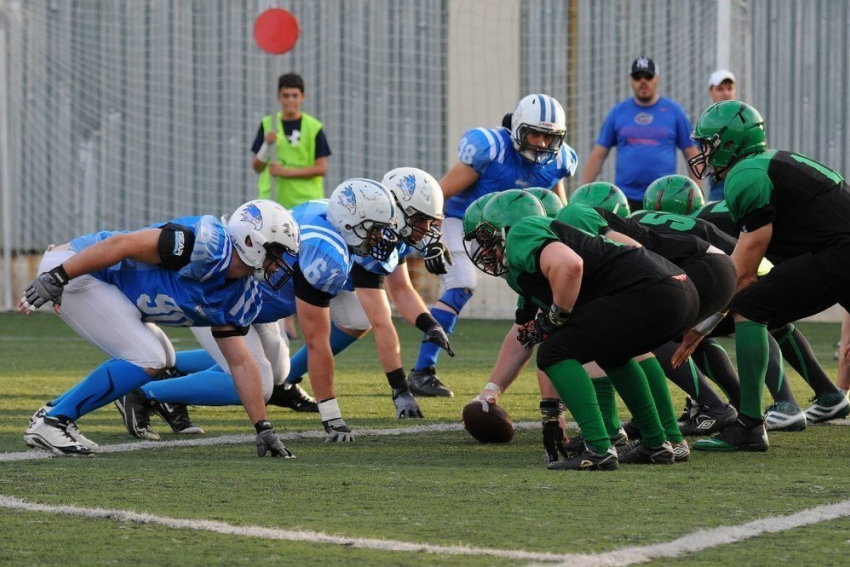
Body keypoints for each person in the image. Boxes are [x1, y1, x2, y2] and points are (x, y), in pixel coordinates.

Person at [120, 179, 403, 443]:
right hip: (220, 298)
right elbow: (317, 341)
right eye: (374, 229)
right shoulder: (326, 254)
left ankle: (170, 378)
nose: (380, 237)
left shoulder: (326, 215)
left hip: (252, 303)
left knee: (280, 371)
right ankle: (143, 393)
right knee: (261, 384)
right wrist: (332, 416)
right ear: (350, 223)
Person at [19, 200, 301, 458]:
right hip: (81, 269)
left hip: (95, 281)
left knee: (163, 356)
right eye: (276, 253)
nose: (280, 265)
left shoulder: (240, 294)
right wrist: (58, 276)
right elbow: (121, 244)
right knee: (149, 356)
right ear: (252, 242)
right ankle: (54, 421)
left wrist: (263, 427)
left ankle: (52, 413)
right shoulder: (202, 246)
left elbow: (240, 362)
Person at [467, 190, 700, 470]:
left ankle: (599, 448)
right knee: (611, 353)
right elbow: (525, 334)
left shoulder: (522, 232)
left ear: (506, 228)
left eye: (488, 240)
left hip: (652, 290)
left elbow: (570, 265)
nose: (486, 250)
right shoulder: (527, 272)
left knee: (554, 352)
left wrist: (555, 317)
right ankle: (657, 443)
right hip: (678, 289)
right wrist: (548, 414)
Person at [675, 100, 850, 452]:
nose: (704, 154)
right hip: (837, 247)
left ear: (731, 143)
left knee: (750, 307)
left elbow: (742, 273)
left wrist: (700, 326)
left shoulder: (746, 175)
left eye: (708, 144)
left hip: (839, 251)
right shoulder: (774, 162)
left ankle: (750, 425)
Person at [409, 94, 578, 398]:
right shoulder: (492, 149)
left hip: (508, 235)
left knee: (546, 293)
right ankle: (423, 371)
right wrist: (432, 238)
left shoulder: (559, 161)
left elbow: (558, 211)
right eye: (534, 133)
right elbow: (439, 195)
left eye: (548, 137)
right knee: (462, 282)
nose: (540, 143)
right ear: (517, 129)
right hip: (461, 221)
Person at [275, 167, 455, 418]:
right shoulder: (371, 236)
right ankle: (278, 380)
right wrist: (400, 390)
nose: (427, 228)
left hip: (320, 272)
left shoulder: (386, 232)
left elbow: (402, 290)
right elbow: (381, 321)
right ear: (399, 214)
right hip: (285, 272)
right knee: (250, 363)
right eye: (420, 220)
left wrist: (429, 324)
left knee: (356, 319)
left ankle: (284, 380)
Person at [252, 73, 331, 340]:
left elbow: (321, 167)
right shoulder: (268, 126)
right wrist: (266, 146)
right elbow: (256, 165)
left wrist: (285, 172)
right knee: (277, 262)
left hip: (306, 205)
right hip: (276, 205)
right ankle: (285, 322)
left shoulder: (313, 127)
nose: (290, 101)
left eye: (295, 95)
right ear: (279, 97)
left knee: (305, 262)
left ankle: (309, 313)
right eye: (285, 95)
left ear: (303, 97)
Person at [580, 57, 702, 212]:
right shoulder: (618, 112)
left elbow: (691, 153)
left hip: (665, 198)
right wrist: (582, 194)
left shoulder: (674, 112)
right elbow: (598, 155)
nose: (643, 81)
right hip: (625, 199)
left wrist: (698, 194)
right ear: (631, 80)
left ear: (657, 79)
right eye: (638, 77)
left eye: (648, 76)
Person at [705, 70, 737, 201]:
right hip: (718, 191)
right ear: (711, 91)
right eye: (720, 89)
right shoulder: (707, 122)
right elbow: (701, 161)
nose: (726, 93)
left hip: (744, 186)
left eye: (730, 88)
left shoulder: (748, 119)